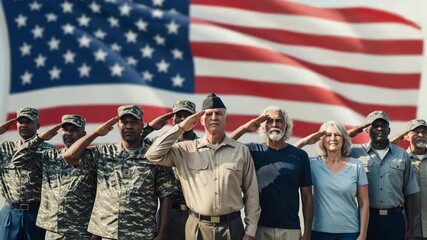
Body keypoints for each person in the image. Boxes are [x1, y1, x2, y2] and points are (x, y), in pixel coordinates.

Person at [146, 93, 261, 240]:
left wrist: (250, 231)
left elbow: (251, 193)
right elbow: (153, 155)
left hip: (231, 227)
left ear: (226, 120)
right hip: (197, 227)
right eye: (208, 114)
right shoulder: (186, 149)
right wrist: (181, 127)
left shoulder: (240, 150)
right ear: (200, 120)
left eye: (219, 114)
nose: (213, 117)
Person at [297, 111, 419, 240]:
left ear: (389, 129)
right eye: (374, 125)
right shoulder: (356, 153)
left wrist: (410, 228)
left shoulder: (401, 155)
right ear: (366, 129)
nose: (379, 128)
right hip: (367, 219)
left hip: (394, 219)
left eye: (383, 125)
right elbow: (334, 145)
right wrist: (307, 140)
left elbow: (410, 193)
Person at [63, 105, 178, 240]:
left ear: (142, 125)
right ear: (118, 126)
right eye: (124, 122)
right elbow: (70, 156)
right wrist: (96, 133)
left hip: (141, 234)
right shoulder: (104, 153)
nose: (128, 126)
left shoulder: (153, 156)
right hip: (106, 233)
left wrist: (162, 233)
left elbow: (165, 196)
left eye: (133, 122)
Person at [229, 106, 313, 240]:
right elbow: (225, 145)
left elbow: (307, 197)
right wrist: (245, 128)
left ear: (286, 125)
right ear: (262, 126)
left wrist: (307, 232)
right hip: (258, 227)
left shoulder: (300, 156)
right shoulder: (252, 151)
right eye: (269, 121)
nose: (274, 124)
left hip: (290, 229)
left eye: (279, 120)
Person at [12, 114, 100, 240]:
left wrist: (96, 232)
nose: (69, 133)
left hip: (81, 231)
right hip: (53, 231)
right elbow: (18, 161)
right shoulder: (50, 156)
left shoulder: (93, 157)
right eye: (65, 130)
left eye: (74, 130)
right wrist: (39, 138)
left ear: (84, 133)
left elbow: (102, 194)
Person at [0, 107, 55, 240]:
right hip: (11, 212)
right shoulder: (5, 148)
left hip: (36, 213)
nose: (24, 125)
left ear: (38, 125)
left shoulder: (49, 151)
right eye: (21, 121)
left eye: (28, 122)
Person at [308, 121, 369, 240]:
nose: (333, 138)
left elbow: (364, 203)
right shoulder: (313, 164)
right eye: (328, 135)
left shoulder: (357, 165)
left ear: (344, 139)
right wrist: (306, 141)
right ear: (322, 139)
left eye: (337, 135)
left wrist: (363, 235)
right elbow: (289, 154)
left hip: (350, 233)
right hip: (319, 232)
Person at [165, 100, 198, 240]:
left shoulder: (202, 146)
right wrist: (151, 127)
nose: (183, 119)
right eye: (179, 115)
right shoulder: (163, 145)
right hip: (170, 213)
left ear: (195, 119)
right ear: (173, 119)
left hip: (196, 214)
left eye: (188, 115)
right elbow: (138, 140)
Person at [390, 119, 427, 240]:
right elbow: (385, 145)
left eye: (424, 132)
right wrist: (402, 135)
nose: (421, 135)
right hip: (410, 229)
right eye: (416, 132)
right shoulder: (400, 159)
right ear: (406, 135)